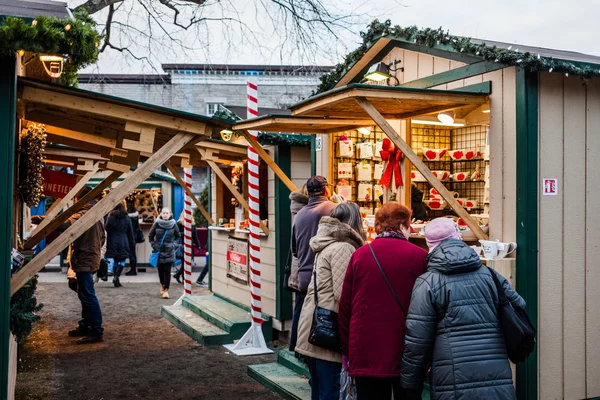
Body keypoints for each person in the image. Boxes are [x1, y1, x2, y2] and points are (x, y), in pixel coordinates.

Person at [401, 218, 525, 400]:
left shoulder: (427, 283)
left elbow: (417, 342)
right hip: (495, 373)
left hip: (451, 380)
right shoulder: (490, 275)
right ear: (458, 238)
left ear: (430, 246)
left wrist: (410, 385)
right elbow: (518, 306)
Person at [338, 202, 427, 400]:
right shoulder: (420, 257)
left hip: (365, 347)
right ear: (403, 225)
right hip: (406, 348)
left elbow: (345, 307)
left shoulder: (360, 256)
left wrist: (346, 349)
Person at [295, 202, 365, 400]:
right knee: (330, 390)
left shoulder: (326, 242)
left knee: (318, 388)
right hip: (328, 328)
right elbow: (343, 295)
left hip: (314, 324)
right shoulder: (343, 247)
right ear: (354, 222)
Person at [32, 186, 106, 344]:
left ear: (80, 198)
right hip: (89, 257)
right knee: (83, 292)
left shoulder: (87, 212)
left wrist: (44, 221)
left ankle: (96, 330)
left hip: (85, 258)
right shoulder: (97, 211)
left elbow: (66, 225)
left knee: (87, 294)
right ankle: (87, 325)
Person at [289, 176, 336, 353]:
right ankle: (316, 355)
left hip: (303, 274)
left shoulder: (299, 214)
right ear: (326, 190)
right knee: (323, 316)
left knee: (301, 312)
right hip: (322, 276)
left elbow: (294, 250)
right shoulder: (333, 209)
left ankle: (296, 348)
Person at [149, 207, 180, 299]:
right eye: (163, 213)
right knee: (161, 271)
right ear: (161, 214)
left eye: (167, 213)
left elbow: (178, 236)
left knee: (167, 271)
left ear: (170, 214)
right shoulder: (157, 223)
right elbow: (150, 235)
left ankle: (166, 289)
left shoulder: (174, 224)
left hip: (169, 251)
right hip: (159, 251)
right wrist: (154, 245)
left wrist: (174, 245)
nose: (165, 215)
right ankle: (162, 285)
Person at [105, 203, 135, 287]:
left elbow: (107, 228)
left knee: (115, 259)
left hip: (112, 240)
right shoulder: (126, 217)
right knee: (122, 260)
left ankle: (116, 279)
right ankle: (116, 277)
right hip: (123, 240)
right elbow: (130, 231)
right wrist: (132, 243)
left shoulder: (110, 216)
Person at [287, 186, 309, 292]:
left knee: (300, 303)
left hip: (298, 265)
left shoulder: (297, 211)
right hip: (304, 265)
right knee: (302, 303)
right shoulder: (304, 214)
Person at [173, 212, 201, 284]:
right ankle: (183, 279)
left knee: (187, 262)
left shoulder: (192, 224)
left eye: (190, 214)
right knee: (184, 262)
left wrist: (198, 245)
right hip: (182, 245)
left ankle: (178, 274)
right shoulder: (179, 223)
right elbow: (176, 234)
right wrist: (185, 233)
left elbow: (195, 236)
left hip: (190, 245)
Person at [126, 204, 142, 276]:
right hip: (134, 236)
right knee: (133, 253)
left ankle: (132, 270)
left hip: (129, 236)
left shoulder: (127, 218)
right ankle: (133, 269)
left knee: (131, 254)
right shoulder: (136, 217)